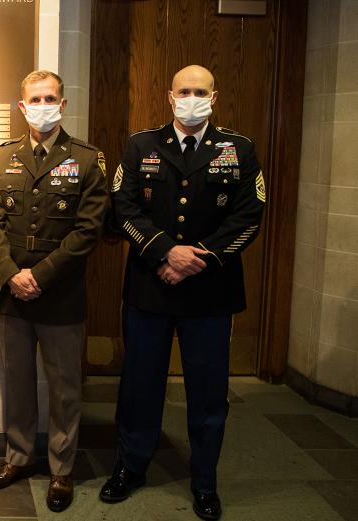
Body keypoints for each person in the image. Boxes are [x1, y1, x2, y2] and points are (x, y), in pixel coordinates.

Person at [100, 65, 266, 520]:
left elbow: (249, 215)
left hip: (210, 291)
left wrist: (200, 258)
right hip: (150, 286)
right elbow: (123, 206)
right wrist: (164, 252)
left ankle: (205, 482)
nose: (192, 98)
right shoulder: (142, 145)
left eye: (200, 91)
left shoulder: (239, 148)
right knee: (140, 384)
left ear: (215, 96)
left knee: (208, 392)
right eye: (184, 91)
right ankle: (130, 467)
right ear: (169, 97)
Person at [0, 70, 109, 512]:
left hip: (61, 292)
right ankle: (18, 457)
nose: (42, 106)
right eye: (34, 100)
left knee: (64, 387)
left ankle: (61, 469)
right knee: (17, 383)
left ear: (63, 104)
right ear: (22, 107)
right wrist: (10, 273)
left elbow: (88, 230)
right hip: (12, 292)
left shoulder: (87, 159)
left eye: (50, 98)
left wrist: (40, 275)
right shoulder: (5, 156)